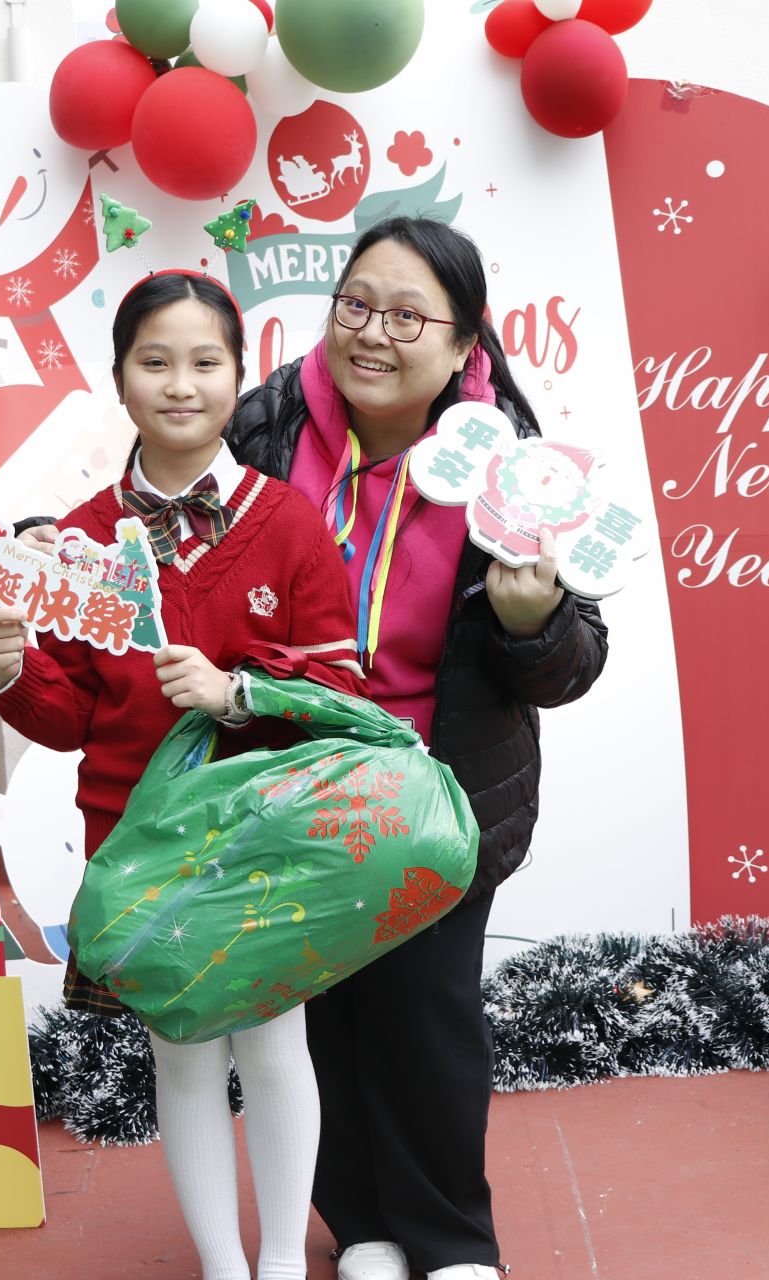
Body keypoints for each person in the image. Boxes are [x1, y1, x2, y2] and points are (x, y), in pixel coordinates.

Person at [226, 217, 610, 1280]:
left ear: (463, 343)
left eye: (407, 316)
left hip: (437, 790)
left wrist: (532, 622)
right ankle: (363, 1225)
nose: (373, 333)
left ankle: (450, 1240)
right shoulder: (264, 427)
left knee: (425, 1013)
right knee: (321, 1015)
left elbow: (576, 658)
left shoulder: (510, 462)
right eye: (356, 304)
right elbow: (164, 523)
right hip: (288, 778)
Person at [0, 270, 366, 1280]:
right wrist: (10, 669)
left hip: (264, 837)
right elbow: (68, 719)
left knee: (276, 1050)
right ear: (119, 378)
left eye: (204, 362)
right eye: (155, 361)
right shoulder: (75, 542)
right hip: (138, 846)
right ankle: (224, 1266)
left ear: (239, 375)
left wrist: (236, 691)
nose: (181, 384)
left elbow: (340, 687)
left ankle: (281, 1262)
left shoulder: (290, 522)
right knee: (183, 1058)